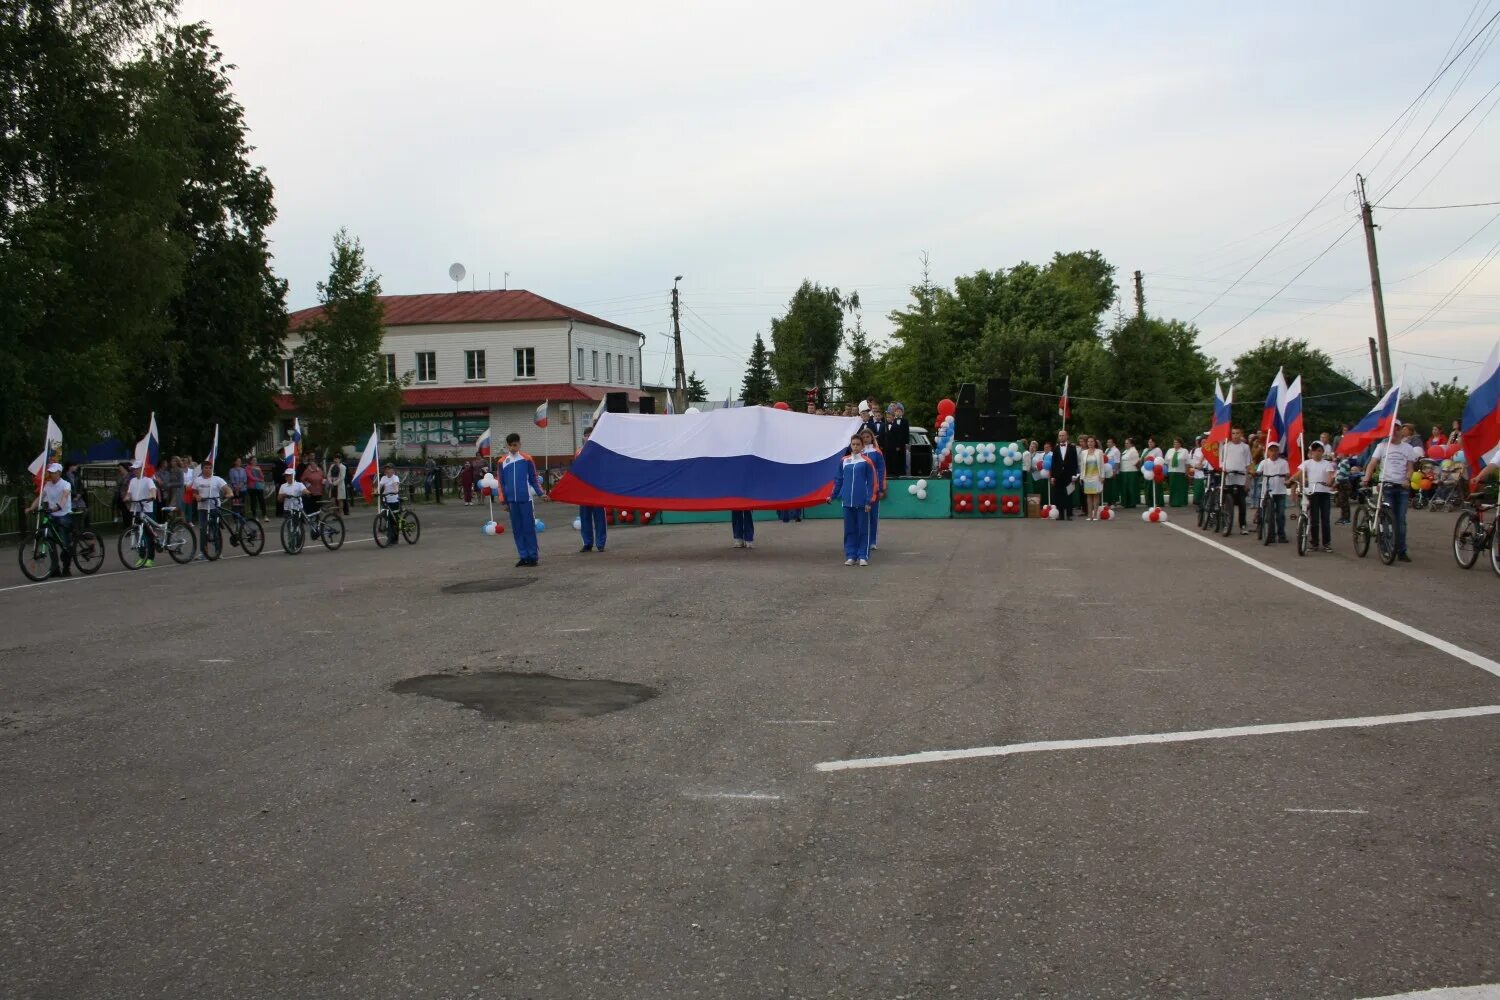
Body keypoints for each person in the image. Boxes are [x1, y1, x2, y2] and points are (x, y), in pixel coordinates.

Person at [1365, 424, 1421, 563]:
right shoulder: (1382, 446)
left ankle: (1401, 550)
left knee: (1400, 520)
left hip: (1401, 487)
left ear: (1401, 431)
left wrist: (1407, 479)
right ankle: (1386, 548)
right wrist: (1367, 477)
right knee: (1387, 518)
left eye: (1397, 429)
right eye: (1391, 429)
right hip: (1386, 485)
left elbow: (1410, 468)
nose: (1394, 432)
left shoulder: (1408, 448)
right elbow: (1372, 463)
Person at [830, 432, 877, 566]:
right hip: (847, 502)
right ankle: (851, 555)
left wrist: (869, 501)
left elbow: (872, 482)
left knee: (863, 529)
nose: (855, 447)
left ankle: (863, 555)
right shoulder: (844, 461)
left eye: (858, 444)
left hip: (862, 502)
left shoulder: (867, 462)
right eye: (853, 444)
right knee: (849, 530)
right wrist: (833, 496)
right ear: (850, 446)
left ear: (862, 446)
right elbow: (838, 480)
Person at [500, 432, 546, 566]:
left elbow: (534, 478)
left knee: (528, 528)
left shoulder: (527, 459)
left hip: (525, 499)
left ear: (520, 444)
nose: (513, 448)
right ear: (507, 446)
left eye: (515, 445)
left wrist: (540, 493)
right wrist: (504, 500)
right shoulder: (502, 461)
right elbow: (501, 483)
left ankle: (533, 556)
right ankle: (523, 555)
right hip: (512, 502)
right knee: (517, 529)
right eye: (510, 446)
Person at [27, 463, 74, 576]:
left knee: (65, 544)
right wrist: (31, 508)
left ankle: (66, 568)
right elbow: (40, 497)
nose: (51, 474)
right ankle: (55, 568)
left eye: (53, 472)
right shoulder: (47, 485)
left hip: (64, 515)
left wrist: (58, 507)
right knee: (50, 542)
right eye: (50, 472)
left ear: (59, 473)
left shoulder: (66, 484)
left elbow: (64, 497)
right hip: (52, 516)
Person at [1294, 441, 1336, 552]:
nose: (1317, 453)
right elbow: (1298, 473)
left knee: (1325, 519)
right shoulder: (1307, 463)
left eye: (1320, 451)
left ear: (1322, 452)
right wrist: (1290, 480)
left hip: (1324, 493)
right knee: (1314, 519)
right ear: (1312, 452)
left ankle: (1326, 543)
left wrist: (1330, 481)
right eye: (1315, 451)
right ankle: (1314, 543)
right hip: (1312, 493)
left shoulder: (1327, 464)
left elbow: (1331, 475)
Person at [577, 428, 607, 553]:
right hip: (583, 491)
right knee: (585, 517)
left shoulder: (600, 451)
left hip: (597, 490)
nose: (588, 438)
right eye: (586, 435)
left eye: (590, 435)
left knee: (599, 517)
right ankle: (587, 543)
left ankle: (600, 543)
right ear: (583, 437)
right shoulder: (579, 452)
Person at [194, 461, 231, 559]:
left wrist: (228, 494)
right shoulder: (197, 480)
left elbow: (227, 490)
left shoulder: (217, 479)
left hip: (214, 507)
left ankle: (218, 551)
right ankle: (203, 552)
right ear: (202, 469)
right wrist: (197, 496)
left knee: (215, 529)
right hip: (202, 508)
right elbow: (194, 492)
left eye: (210, 468)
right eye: (206, 468)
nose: (208, 470)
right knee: (203, 530)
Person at [125, 461, 159, 567]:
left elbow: (153, 490)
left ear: (142, 469)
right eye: (134, 469)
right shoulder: (132, 481)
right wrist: (127, 497)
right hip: (135, 509)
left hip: (146, 510)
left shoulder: (148, 480)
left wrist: (152, 496)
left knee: (149, 535)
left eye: (137, 469)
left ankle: (150, 558)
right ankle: (142, 556)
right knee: (137, 534)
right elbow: (129, 493)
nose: (135, 471)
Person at [858, 427, 887, 551]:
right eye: (863, 437)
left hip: (874, 488)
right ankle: (862, 539)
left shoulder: (877, 452)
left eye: (867, 437)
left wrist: (881, 488)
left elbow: (882, 470)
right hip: (861, 488)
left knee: (873, 515)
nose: (865, 439)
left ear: (871, 438)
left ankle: (873, 540)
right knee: (861, 515)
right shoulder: (858, 452)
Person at [1256, 441, 1290, 545]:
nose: (1274, 452)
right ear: (1268, 451)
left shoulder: (1283, 462)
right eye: (1271, 450)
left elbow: (1287, 474)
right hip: (1267, 491)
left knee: (1280, 515)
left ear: (1278, 451)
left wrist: (1287, 478)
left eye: (1276, 450)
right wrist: (1256, 474)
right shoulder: (1264, 462)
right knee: (1266, 514)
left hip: (1280, 491)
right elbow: (1258, 472)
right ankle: (1267, 532)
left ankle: (1281, 535)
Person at [1220, 428, 1252, 535]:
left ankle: (1242, 525)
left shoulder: (1245, 447)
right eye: (1233, 433)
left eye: (1237, 433)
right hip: (1229, 477)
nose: (1235, 435)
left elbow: (1248, 464)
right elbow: (1222, 462)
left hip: (1241, 478)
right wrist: (1224, 473)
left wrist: (1247, 480)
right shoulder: (1226, 446)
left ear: (1241, 434)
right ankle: (1226, 524)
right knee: (1227, 503)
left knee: (1242, 503)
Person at [1052, 429, 1079, 520]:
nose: (1061, 437)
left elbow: (1075, 462)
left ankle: (1068, 514)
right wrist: (1053, 476)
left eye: (1063, 435)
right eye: (1060, 436)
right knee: (1059, 494)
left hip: (1069, 474)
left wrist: (1074, 475)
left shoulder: (1072, 447)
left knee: (1069, 493)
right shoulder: (1055, 448)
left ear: (1067, 436)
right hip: (1058, 475)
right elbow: (1053, 463)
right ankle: (1061, 515)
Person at [377, 466, 404, 545]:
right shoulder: (383, 478)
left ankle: (395, 538)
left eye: (389, 469)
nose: (387, 470)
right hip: (386, 500)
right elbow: (380, 486)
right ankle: (390, 536)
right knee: (387, 517)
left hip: (394, 500)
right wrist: (375, 491)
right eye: (386, 469)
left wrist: (396, 490)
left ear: (392, 470)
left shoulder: (395, 478)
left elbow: (396, 485)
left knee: (394, 519)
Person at [1079, 436, 1104, 520]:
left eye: (1092, 441)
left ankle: (1096, 514)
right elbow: (1082, 466)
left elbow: (1102, 465)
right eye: (1088, 442)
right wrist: (1081, 477)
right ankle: (1089, 515)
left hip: (1096, 476)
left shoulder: (1099, 452)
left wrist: (1102, 476)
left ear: (1095, 443)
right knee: (1089, 496)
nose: (1090, 443)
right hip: (1087, 477)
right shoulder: (1084, 452)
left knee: (1096, 495)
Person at [886, 402, 910, 478]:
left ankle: (902, 472)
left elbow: (906, 433)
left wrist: (906, 443)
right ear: (894, 412)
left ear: (902, 412)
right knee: (895, 458)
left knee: (902, 458)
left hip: (902, 444)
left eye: (899, 411)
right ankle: (894, 472)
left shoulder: (905, 421)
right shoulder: (893, 421)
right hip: (894, 444)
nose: (898, 413)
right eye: (896, 411)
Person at [1165, 437, 1189, 507]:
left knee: (1180, 488)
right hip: (1171, 471)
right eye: (1174, 442)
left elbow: (1187, 462)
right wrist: (1165, 472)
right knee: (1172, 487)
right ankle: (1172, 502)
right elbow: (1166, 462)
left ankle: (1180, 502)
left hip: (1181, 472)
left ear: (1180, 443)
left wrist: (1187, 472)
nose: (1175, 444)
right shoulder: (1170, 450)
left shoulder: (1184, 451)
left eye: (1177, 442)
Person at [1119, 438, 1140, 509]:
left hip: (1131, 471)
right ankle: (1125, 502)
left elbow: (1137, 462)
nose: (1126, 444)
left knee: (1131, 487)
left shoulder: (1133, 451)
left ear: (1131, 444)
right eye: (1125, 443)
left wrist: (1136, 470)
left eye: (1127, 443)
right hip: (1124, 471)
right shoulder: (1126, 451)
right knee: (1125, 487)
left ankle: (1132, 502)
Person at [1103, 438, 1121, 507]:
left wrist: (1114, 471)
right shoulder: (1107, 450)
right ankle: (1108, 501)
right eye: (1107, 442)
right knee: (1108, 487)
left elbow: (1117, 462)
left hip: (1113, 470)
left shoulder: (1116, 451)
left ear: (1114, 443)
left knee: (1113, 487)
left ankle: (1114, 501)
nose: (1108, 443)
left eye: (1109, 442)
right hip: (1107, 470)